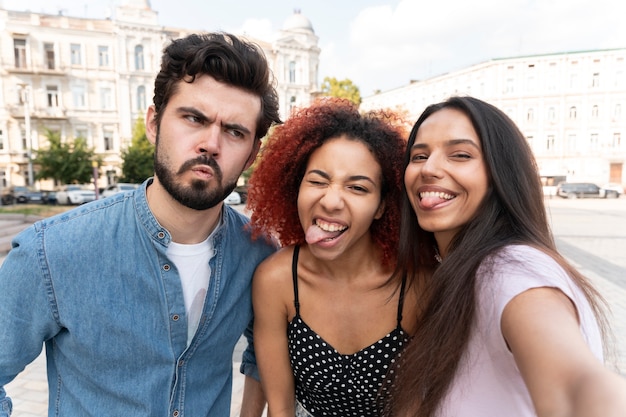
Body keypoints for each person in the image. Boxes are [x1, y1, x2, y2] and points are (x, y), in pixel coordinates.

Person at [0, 32, 281, 417]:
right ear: (154, 123)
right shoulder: (52, 252)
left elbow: (266, 351)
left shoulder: (260, 255)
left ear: (252, 155)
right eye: (193, 118)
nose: (210, 143)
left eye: (235, 131)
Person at [387, 95, 626, 417]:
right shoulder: (456, 272)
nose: (429, 168)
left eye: (460, 155)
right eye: (418, 156)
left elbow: (577, 385)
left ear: (501, 174)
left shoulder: (510, 270)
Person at [246, 97, 419, 417]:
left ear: (383, 206)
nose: (332, 201)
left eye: (357, 188)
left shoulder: (416, 284)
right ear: (295, 188)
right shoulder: (276, 281)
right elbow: (280, 409)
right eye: (318, 181)